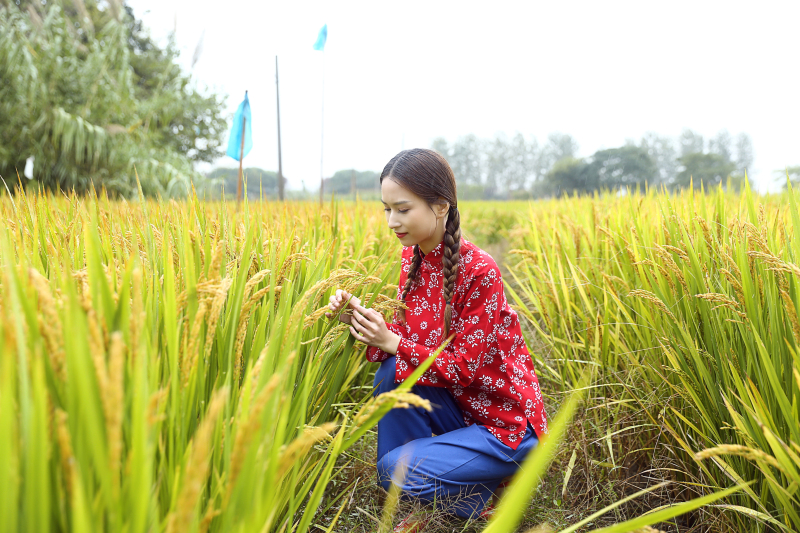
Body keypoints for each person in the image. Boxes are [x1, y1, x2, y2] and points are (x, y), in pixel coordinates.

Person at [325, 148, 548, 532]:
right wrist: (358, 320)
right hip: (461, 411)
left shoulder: (480, 272)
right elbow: (407, 347)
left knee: (394, 468)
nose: (392, 221)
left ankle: (492, 495)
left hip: (502, 425)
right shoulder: (410, 260)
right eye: (386, 209)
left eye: (403, 209)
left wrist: (393, 341)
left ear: (441, 205)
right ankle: (416, 496)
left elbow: (463, 368)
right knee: (393, 372)